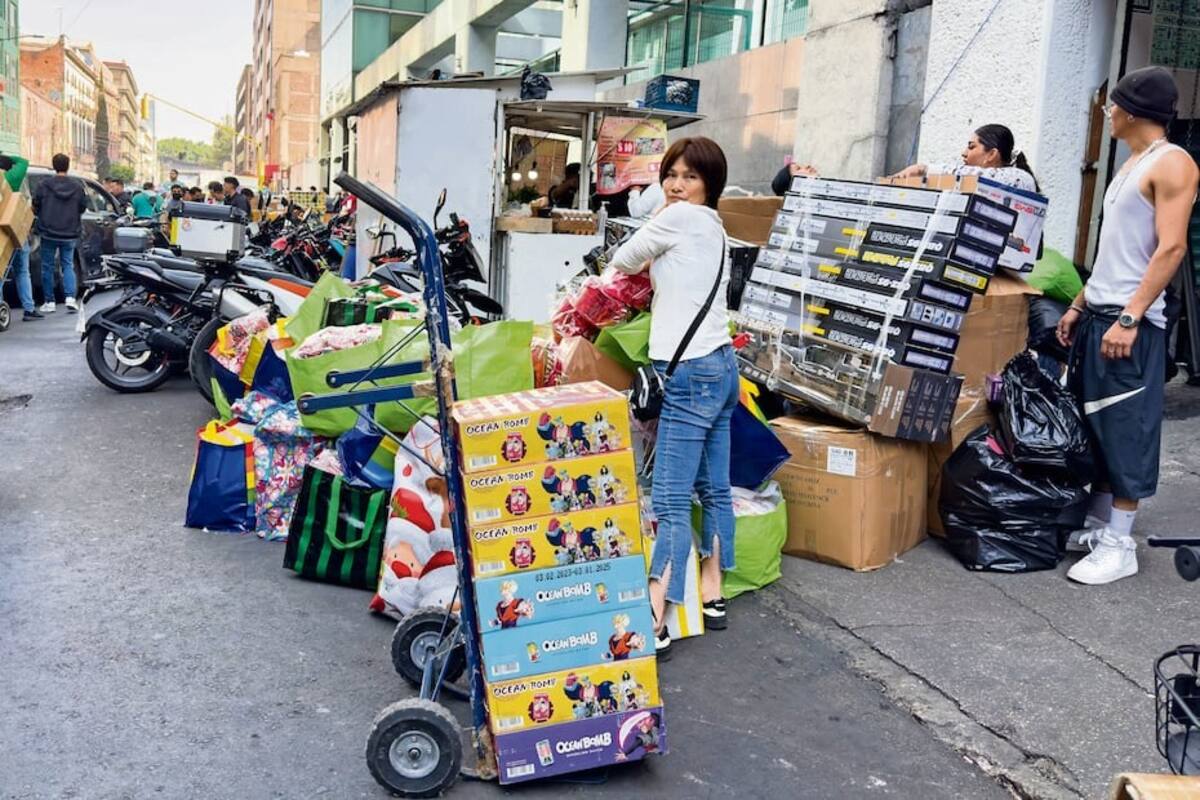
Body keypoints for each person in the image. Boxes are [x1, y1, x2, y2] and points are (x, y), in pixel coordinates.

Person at [1054, 67, 1198, 586]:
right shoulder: (1129, 165)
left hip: (1131, 324)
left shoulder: (1173, 162)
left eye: (1111, 104)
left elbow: (1172, 247)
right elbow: (1114, 255)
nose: (1105, 111)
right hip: (1100, 315)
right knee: (1096, 426)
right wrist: (1078, 304)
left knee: (1126, 429)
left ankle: (1121, 543)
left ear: (1132, 110)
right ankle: (1100, 525)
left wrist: (1130, 316)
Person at [609, 137, 738, 656]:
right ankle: (712, 594)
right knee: (715, 490)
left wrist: (662, 212)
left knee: (668, 500)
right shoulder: (717, 228)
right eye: (671, 174)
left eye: (689, 176)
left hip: (687, 374)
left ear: (709, 183)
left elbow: (624, 259)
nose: (676, 184)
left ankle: (654, 618)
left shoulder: (681, 217)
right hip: (723, 367)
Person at [891, 123, 1039, 192]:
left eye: (971, 146)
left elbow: (974, 177)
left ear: (992, 154)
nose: (964, 153)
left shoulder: (1019, 179)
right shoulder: (973, 185)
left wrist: (922, 170)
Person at [31, 153, 86, 314]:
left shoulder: (43, 185)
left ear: (54, 166)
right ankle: (70, 297)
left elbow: (36, 205)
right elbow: (82, 207)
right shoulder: (77, 186)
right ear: (67, 166)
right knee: (67, 264)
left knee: (47, 266)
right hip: (69, 232)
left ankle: (49, 301)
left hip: (48, 232)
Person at [0, 152, 39, 320]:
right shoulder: (11, 178)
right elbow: (23, 161)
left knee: (1, 270)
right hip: (15, 229)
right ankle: (29, 309)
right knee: (22, 271)